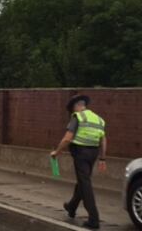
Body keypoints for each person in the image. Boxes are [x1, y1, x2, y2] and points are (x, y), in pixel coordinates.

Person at [50, 94, 106, 229]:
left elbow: (67, 138)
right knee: (83, 180)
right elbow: (103, 140)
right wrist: (102, 158)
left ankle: (94, 219)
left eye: (72, 109)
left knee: (85, 183)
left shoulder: (77, 117)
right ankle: (71, 207)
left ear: (76, 106)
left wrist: (56, 152)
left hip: (81, 153)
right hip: (93, 153)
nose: (72, 112)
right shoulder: (99, 119)